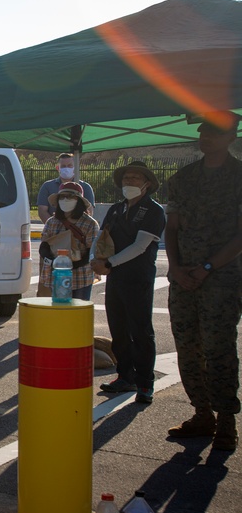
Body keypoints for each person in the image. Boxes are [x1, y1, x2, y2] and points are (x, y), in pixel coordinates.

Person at [163, 113, 242, 451]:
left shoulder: (238, 177)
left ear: (230, 137)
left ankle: (226, 419)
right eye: (203, 131)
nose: (205, 136)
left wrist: (208, 267)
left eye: (213, 132)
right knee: (188, 346)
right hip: (183, 278)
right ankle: (201, 414)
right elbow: (172, 227)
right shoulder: (185, 177)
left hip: (221, 279)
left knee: (219, 348)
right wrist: (177, 268)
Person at [90, 161, 166, 405]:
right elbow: (102, 236)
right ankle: (125, 376)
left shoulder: (153, 211)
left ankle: (145, 383)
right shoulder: (116, 209)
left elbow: (140, 246)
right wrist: (95, 259)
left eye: (135, 178)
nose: (129, 182)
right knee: (118, 329)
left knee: (140, 332)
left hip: (137, 278)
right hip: (115, 279)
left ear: (147, 184)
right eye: (126, 178)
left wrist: (109, 263)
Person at [40, 181, 98, 300]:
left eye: (70, 197)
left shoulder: (90, 223)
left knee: (79, 312)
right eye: (62, 197)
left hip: (81, 277)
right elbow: (44, 247)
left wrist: (74, 265)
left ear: (79, 201)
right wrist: (53, 262)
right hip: (56, 276)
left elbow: (92, 251)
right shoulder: (52, 222)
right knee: (59, 311)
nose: (65, 200)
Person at [37, 153, 96, 222]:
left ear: (76, 167)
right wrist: (54, 226)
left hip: (78, 230)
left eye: (69, 166)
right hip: (55, 230)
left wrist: (76, 228)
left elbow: (89, 212)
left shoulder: (86, 187)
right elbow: (42, 211)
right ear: (57, 168)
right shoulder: (47, 186)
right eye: (63, 166)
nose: (66, 168)